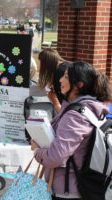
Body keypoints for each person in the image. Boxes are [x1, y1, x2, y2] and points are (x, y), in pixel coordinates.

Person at [31, 61, 112, 200]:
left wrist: (38, 151)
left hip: (68, 191)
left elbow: (55, 157)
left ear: (79, 85)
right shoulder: (85, 109)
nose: (61, 79)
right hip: (76, 188)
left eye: (67, 77)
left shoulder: (74, 115)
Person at [38, 48, 69, 112]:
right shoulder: (66, 65)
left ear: (46, 63)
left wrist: (55, 101)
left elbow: (64, 106)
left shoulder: (59, 73)